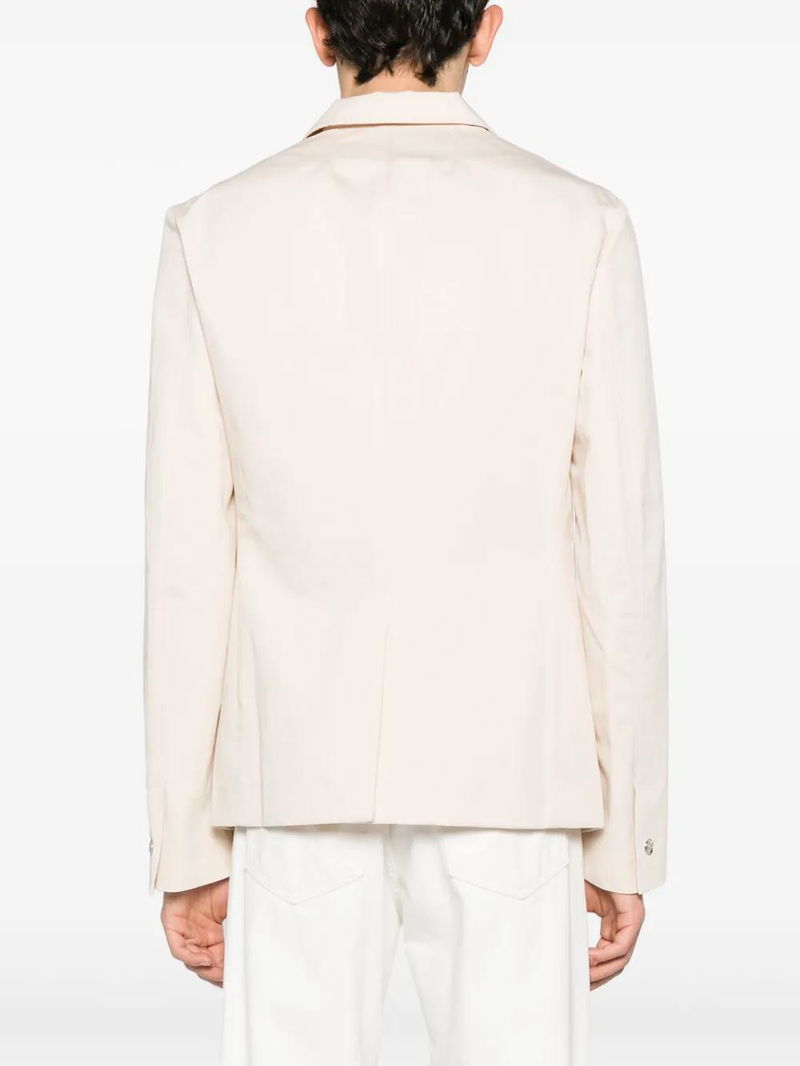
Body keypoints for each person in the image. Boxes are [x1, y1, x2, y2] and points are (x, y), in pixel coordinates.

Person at [144, 3, 668, 1062]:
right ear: (486, 30)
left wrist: (185, 841)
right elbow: (618, 556)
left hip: (292, 771)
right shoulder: (582, 224)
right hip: (515, 773)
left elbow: (187, 561)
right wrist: (628, 833)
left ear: (317, 31)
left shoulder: (214, 227)